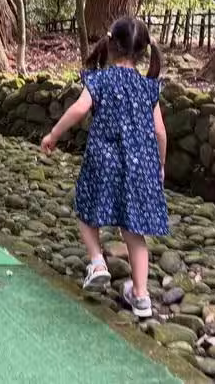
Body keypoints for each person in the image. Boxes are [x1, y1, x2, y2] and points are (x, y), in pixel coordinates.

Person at [40, 17, 167, 319]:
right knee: (134, 230)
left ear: (110, 45)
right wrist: (160, 165)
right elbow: (160, 132)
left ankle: (97, 262)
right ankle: (141, 296)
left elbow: (79, 109)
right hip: (140, 166)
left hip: (103, 159)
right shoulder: (148, 87)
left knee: (86, 210)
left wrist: (53, 135)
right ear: (142, 52)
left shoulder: (100, 80)